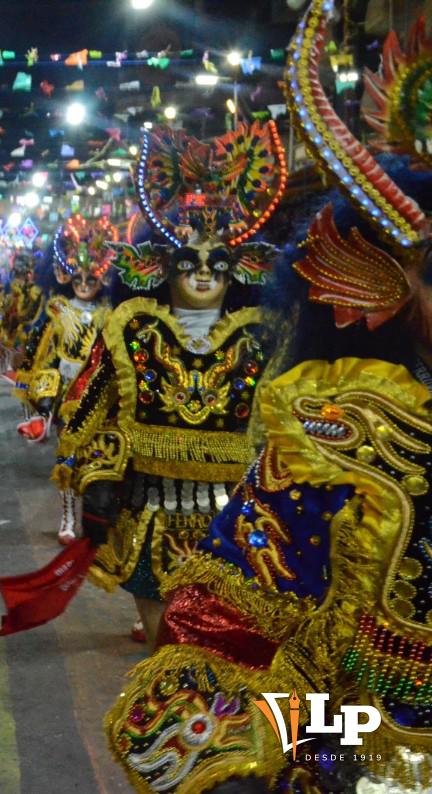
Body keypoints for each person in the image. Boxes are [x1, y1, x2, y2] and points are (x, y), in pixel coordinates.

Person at [107, 4, 432, 789]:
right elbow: (224, 646)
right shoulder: (333, 440)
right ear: (374, 287)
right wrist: (353, 739)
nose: (207, 273)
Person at [52, 119, 287, 647]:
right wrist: (97, 484)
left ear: (239, 271)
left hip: (237, 524)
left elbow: (285, 426)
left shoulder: (262, 338)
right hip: (153, 513)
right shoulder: (132, 328)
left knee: (225, 659)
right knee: (165, 649)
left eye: (217, 265)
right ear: (160, 267)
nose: (204, 274)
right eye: (190, 263)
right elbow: (89, 415)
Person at [14, 216, 115, 543]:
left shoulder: (113, 312)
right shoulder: (57, 309)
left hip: (103, 392)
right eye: (78, 277)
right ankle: (68, 517)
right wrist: (40, 396)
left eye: (92, 277)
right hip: (69, 394)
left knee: (99, 457)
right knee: (68, 456)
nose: (85, 283)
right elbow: (40, 347)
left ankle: (96, 516)